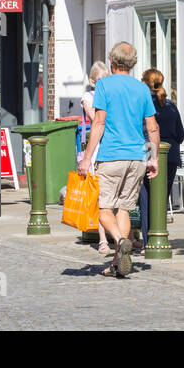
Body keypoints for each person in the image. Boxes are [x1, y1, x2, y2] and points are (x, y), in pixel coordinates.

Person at [77, 42, 159, 278]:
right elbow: (152, 127)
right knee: (124, 208)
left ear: (112, 62)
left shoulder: (104, 85)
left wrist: (86, 158)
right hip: (136, 158)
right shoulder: (142, 89)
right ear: (132, 64)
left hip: (111, 156)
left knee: (103, 208)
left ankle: (122, 240)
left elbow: (99, 123)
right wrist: (154, 159)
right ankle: (117, 263)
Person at [137, 68, 184, 251]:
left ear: (144, 82)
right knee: (161, 199)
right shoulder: (171, 105)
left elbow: (142, 129)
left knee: (146, 199)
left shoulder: (143, 103)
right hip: (171, 156)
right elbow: (180, 134)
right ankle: (160, 238)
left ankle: (148, 242)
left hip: (150, 153)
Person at [78, 61, 112, 256]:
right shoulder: (88, 97)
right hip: (96, 150)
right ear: (92, 80)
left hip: (111, 149)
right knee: (100, 197)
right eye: (102, 80)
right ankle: (102, 240)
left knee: (113, 196)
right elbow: (95, 118)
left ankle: (123, 236)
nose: (105, 84)